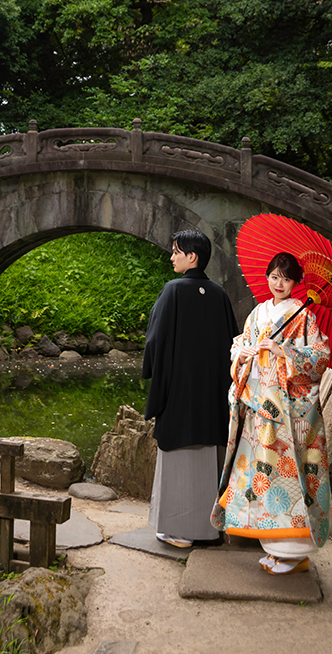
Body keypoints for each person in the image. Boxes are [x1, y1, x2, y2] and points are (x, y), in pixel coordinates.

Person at [211, 251, 332, 574]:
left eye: (287, 278)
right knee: (259, 477)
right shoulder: (257, 312)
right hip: (258, 408)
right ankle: (274, 548)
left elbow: (319, 356)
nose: (279, 284)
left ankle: (294, 552)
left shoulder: (303, 315)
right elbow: (239, 343)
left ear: (296, 283)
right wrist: (243, 353)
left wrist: (284, 351)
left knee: (287, 478)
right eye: (275, 276)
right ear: (267, 277)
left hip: (288, 416)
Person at [142, 228, 239, 548]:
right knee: (210, 458)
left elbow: (155, 340)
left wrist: (157, 376)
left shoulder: (173, 291)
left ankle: (179, 531)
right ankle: (211, 529)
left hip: (180, 394)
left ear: (192, 257)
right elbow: (232, 345)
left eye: (176, 251)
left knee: (179, 457)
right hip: (212, 396)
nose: (172, 257)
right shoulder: (220, 295)